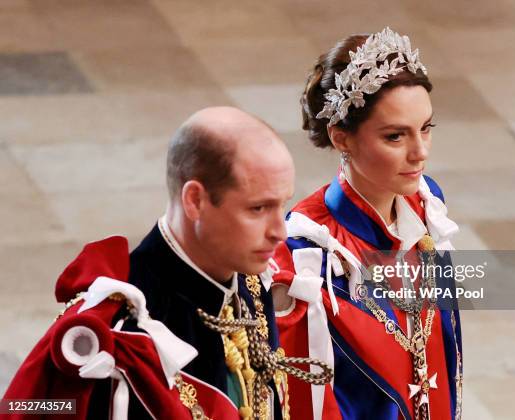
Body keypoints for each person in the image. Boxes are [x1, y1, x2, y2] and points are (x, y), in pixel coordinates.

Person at [3, 107, 332, 419]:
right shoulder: (121, 338)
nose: (279, 231)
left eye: (282, 205)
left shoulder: (248, 281)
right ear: (195, 201)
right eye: (258, 209)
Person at [270, 28, 463, 420]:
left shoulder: (427, 205)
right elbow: (305, 401)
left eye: (426, 128)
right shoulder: (306, 255)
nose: (420, 153)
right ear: (342, 138)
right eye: (396, 137)